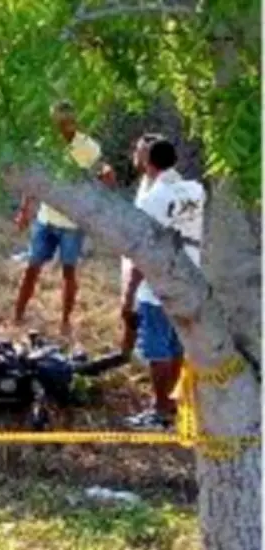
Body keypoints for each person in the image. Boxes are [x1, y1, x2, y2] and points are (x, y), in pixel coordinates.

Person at [121, 138, 206, 430]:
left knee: (157, 350)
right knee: (178, 345)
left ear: (149, 163)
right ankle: (177, 403)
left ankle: (160, 411)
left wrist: (129, 294)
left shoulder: (152, 198)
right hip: (191, 276)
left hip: (158, 283)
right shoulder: (195, 190)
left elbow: (143, 252)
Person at [13, 100, 116, 337]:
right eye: (56, 123)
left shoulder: (88, 147)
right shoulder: (44, 145)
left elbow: (103, 173)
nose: (59, 128)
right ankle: (18, 313)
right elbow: (34, 180)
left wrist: (107, 178)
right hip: (46, 218)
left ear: (73, 122)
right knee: (32, 267)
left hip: (72, 223)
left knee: (69, 272)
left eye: (64, 122)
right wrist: (24, 210)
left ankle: (66, 321)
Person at [119, 132, 166, 350]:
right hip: (135, 255)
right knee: (132, 306)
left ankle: (136, 351)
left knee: (136, 304)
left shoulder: (158, 190)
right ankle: (127, 350)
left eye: (139, 152)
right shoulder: (147, 180)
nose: (134, 156)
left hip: (146, 261)